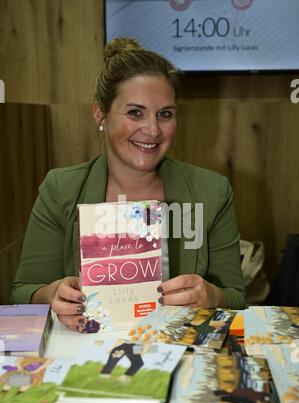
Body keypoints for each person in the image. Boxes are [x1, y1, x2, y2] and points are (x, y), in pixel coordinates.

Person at [10, 37, 245, 333]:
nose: (153, 130)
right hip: (87, 354)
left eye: (165, 114)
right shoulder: (61, 189)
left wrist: (212, 296)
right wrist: (52, 293)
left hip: (176, 352)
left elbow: (236, 299)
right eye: (135, 112)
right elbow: (21, 292)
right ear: (100, 115)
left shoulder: (212, 191)